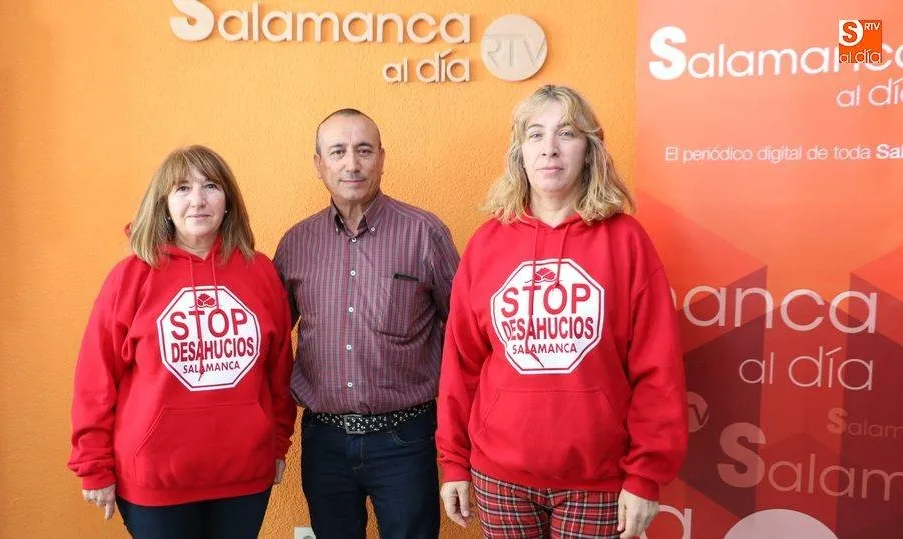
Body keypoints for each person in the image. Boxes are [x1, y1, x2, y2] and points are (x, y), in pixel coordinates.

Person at [436, 85, 688, 539]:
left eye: (566, 133)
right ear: (519, 152)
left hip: (599, 479)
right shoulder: (487, 244)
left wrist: (645, 474)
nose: (549, 148)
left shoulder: (627, 241)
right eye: (535, 134)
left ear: (589, 151)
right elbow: (461, 364)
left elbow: (658, 369)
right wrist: (454, 461)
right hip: (500, 477)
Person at [68, 145, 296, 539]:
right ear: (164, 204)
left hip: (243, 474)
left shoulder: (259, 271)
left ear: (228, 201)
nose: (198, 200)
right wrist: (93, 464)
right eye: (182, 188)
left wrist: (277, 444)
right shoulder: (131, 277)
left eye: (211, 186)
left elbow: (279, 370)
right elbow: (96, 378)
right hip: (154, 479)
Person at [273, 108, 460, 539]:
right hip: (324, 441)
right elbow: (270, 339)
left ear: (382, 158)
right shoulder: (296, 243)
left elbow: (465, 331)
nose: (352, 164)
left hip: (407, 438)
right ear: (318, 163)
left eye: (364, 150)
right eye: (337, 151)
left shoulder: (424, 232)